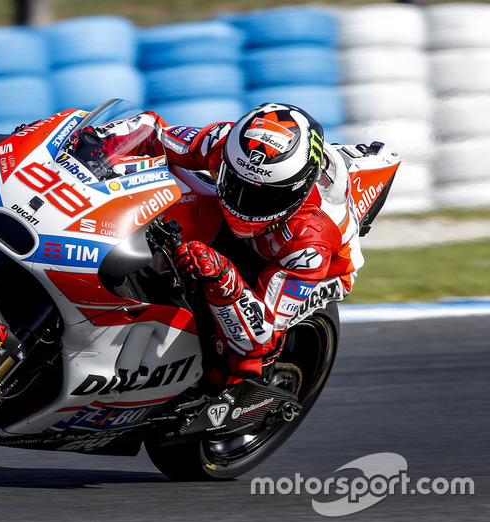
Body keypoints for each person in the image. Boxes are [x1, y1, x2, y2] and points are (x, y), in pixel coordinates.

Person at [82, 102, 363, 384]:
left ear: (297, 190)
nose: (244, 204)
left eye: (264, 198)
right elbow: (155, 135)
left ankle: (220, 392)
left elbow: (263, 333)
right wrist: (96, 145)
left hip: (305, 269)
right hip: (245, 235)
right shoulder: (224, 144)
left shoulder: (310, 243)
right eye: (236, 185)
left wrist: (225, 278)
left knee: (243, 360)